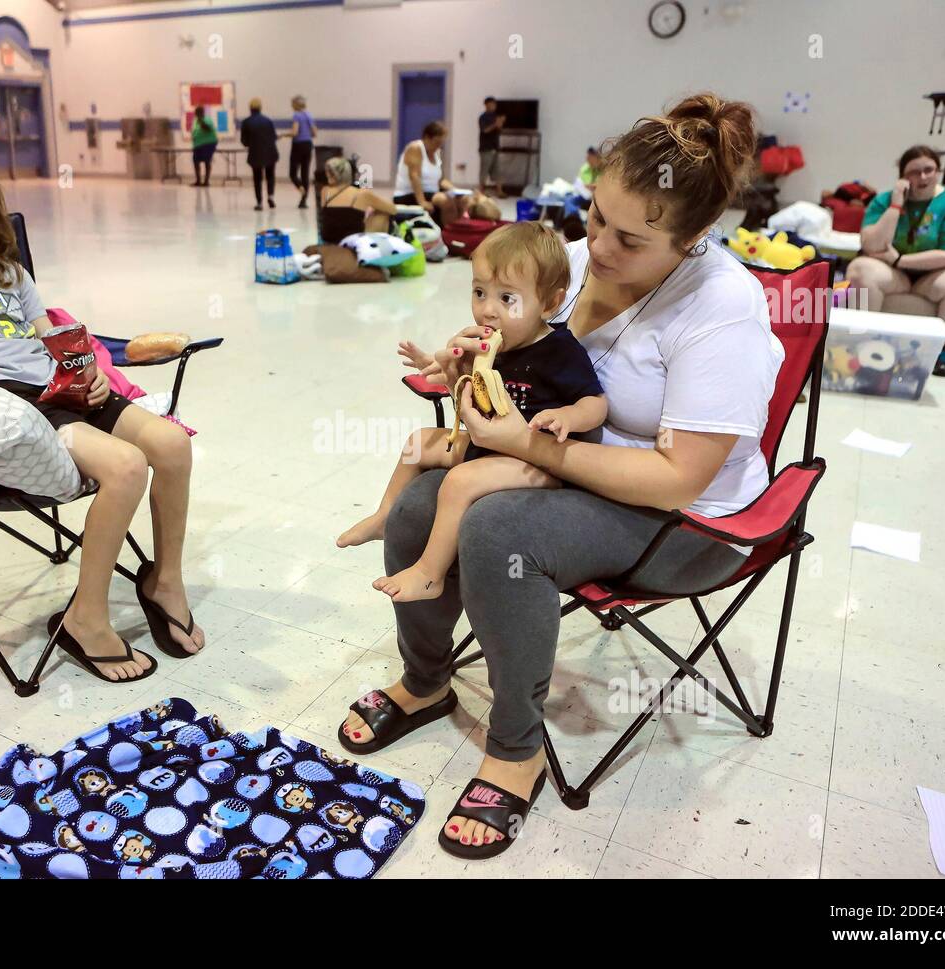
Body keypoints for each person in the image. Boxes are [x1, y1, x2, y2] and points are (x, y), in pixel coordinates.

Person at [338, 93, 779, 860]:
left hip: (685, 520)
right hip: (575, 467)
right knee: (417, 502)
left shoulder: (723, 308)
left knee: (497, 525)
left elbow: (678, 479)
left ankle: (515, 748)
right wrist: (472, 353)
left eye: (631, 238)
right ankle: (426, 678)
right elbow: (513, 342)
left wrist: (525, 444)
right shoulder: (569, 264)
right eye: (594, 215)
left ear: (694, 237)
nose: (599, 247)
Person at [0, 144, 207, 681]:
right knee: (126, 467)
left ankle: (164, 581)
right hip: (4, 406)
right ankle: (86, 617)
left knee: (173, 446)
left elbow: (53, 341)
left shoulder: (10, 274)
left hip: (59, 391)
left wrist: (90, 371)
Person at [337, 222, 606, 604]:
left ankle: (430, 574)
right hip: (492, 445)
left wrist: (567, 417)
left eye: (507, 299)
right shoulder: (485, 339)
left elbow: (596, 402)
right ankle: (385, 515)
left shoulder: (560, 350)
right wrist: (433, 362)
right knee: (419, 443)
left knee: (461, 481)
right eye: (480, 292)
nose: (487, 310)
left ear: (548, 303)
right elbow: (458, 377)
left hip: (540, 462)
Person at [846, 145, 945, 376]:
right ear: (902, 178)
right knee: (860, 269)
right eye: (914, 172)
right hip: (892, 274)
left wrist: (900, 260)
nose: (923, 177)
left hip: (935, 275)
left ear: (938, 171)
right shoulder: (884, 200)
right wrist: (896, 205)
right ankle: (862, 343)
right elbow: (871, 246)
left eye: (929, 170)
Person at [318, 156, 400, 243]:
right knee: (383, 214)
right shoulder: (362, 193)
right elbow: (393, 210)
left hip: (327, 238)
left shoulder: (325, 191)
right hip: (352, 239)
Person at [393, 120, 455, 225]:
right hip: (409, 194)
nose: (438, 146)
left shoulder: (436, 153)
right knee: (444, 200)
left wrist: (456, 191)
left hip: (431, 193)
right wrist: (421, 201)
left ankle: (457, 232)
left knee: (461, 200)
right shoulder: (415, 148)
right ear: (427, 137)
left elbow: (440, 181)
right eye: (436, 142)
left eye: (441, 143)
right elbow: (414, 176)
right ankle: (445, 234)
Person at [239, 98, 279, 211]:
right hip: (270, 152)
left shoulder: (246, 122)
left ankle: (259, 202)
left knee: (257, 178)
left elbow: (244, 142)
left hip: (255, 153)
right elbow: (274, 137)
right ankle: (270, 197)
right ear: (260, 108)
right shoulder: (268, 121)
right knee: (270, 175)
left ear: (250, 108)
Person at [281, 95, 317, 209]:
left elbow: (295, 132)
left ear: (295, 105)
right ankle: (303, 201)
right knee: (305, 173)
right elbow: (315, 133)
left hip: (298, 146)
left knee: (293, 173)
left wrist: (283, 135)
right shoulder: (309, 115)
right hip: (308, 145)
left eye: (292, 104)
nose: (291, 106)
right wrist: (306, 135)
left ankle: (300, 188)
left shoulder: (296, 116)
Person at [477, 97, 504, 196]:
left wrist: (500, 123)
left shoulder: (496, 116)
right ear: (486, 105)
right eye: (491, 104)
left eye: (494, 104)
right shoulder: (483, 117)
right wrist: (495, 124)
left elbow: (500, 130)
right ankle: (481, 192)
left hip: (495, 147)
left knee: (498, 171)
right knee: (484, 171)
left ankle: (499, 191)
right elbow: (485, 130)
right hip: (485, 148)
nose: (493, 106)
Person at [190, 105, 219, 187]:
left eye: (198, 113)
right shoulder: (195, 121)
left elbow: (208, 129)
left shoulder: (207, 119)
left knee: (207, 161)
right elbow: (194, 131)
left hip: (208, 144)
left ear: (202, 113)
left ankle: (206, 181)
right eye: (196, 113)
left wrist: (201, 122)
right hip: (197, 145)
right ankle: (198, 180)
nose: (197, 114)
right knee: (195, 161)